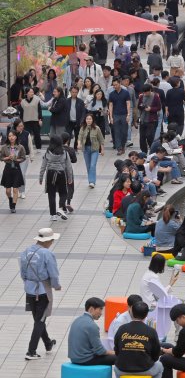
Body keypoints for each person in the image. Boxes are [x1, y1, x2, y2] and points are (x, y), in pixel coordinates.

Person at [20, 227, 61, 360]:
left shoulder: (26, 251)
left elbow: (23, 272)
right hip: (43, 290)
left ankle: (48, 343)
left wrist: (28, 283)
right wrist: (56, 285)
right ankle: (31, 351)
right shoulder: (46, 254)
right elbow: (53, 273)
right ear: (47, 241)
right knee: (40, 320)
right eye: (52, 240)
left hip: (30, 290)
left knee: (38, 319)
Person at [113, 300, 164, 378]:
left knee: (116, 367)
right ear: (146, 315)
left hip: (122, 370)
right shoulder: (151, 331)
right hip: (144, 369)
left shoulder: (122, 329)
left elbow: (117, 350)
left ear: (131, 312)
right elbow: (156, 354)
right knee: (159, 366)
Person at [68, 298, 116, 366]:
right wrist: (115, 352)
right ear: (91, 309)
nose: (101, 313)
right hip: (85, 359)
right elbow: (100, 351)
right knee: (118, 358)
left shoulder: (77, 320)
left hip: (74, 358)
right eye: (100, 309)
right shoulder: (92, 325)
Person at [39, 135, 72, 221]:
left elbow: (43, 165)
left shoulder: (48, 152)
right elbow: (69, 167)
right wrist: (70, 177)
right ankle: (60, 208)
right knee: (63, 192)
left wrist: (41, 177)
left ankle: (53, 215)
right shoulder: (64, 152)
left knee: (51, 194)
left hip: (50, 173)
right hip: (61, 174)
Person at [75, 113, 104, 189]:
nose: (88, 120)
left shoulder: (97, 128)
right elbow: (79, 137)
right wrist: (79, 144)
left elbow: (101, 139)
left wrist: (102, 149)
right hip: (86, 149)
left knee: (92, 165)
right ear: (85, 120)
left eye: (90, 119)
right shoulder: (83, 128)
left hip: (95, 149)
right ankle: (90, 180)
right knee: (88, 166)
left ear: (92, 120)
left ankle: (92, 181)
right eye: (87, 119)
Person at [2, 130, 26, 212]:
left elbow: (23, 158)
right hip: (8, 168)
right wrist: (8, 158)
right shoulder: (4, 147)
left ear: (16, 137)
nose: (11, 137)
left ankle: (13, 207)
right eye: (9, 136)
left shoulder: (20, 147)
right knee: (8, 190)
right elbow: (1, 157)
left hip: (16, 168)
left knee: (15, 189)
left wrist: (16, 159)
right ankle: (10, 199)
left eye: (12, 136)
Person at [108, 78, 131, 155]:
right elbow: (110, 106)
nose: (114, 86)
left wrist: (128, 114)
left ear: (119, 84)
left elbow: (128, 104)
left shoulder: (126, 93)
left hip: (124, 114)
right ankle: (119, 148)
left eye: (116, 84)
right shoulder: (111, 94)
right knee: (116, 132)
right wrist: (111, 117)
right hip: (115, 115)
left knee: (124, 132)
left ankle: (123, 145)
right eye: (113, 85)